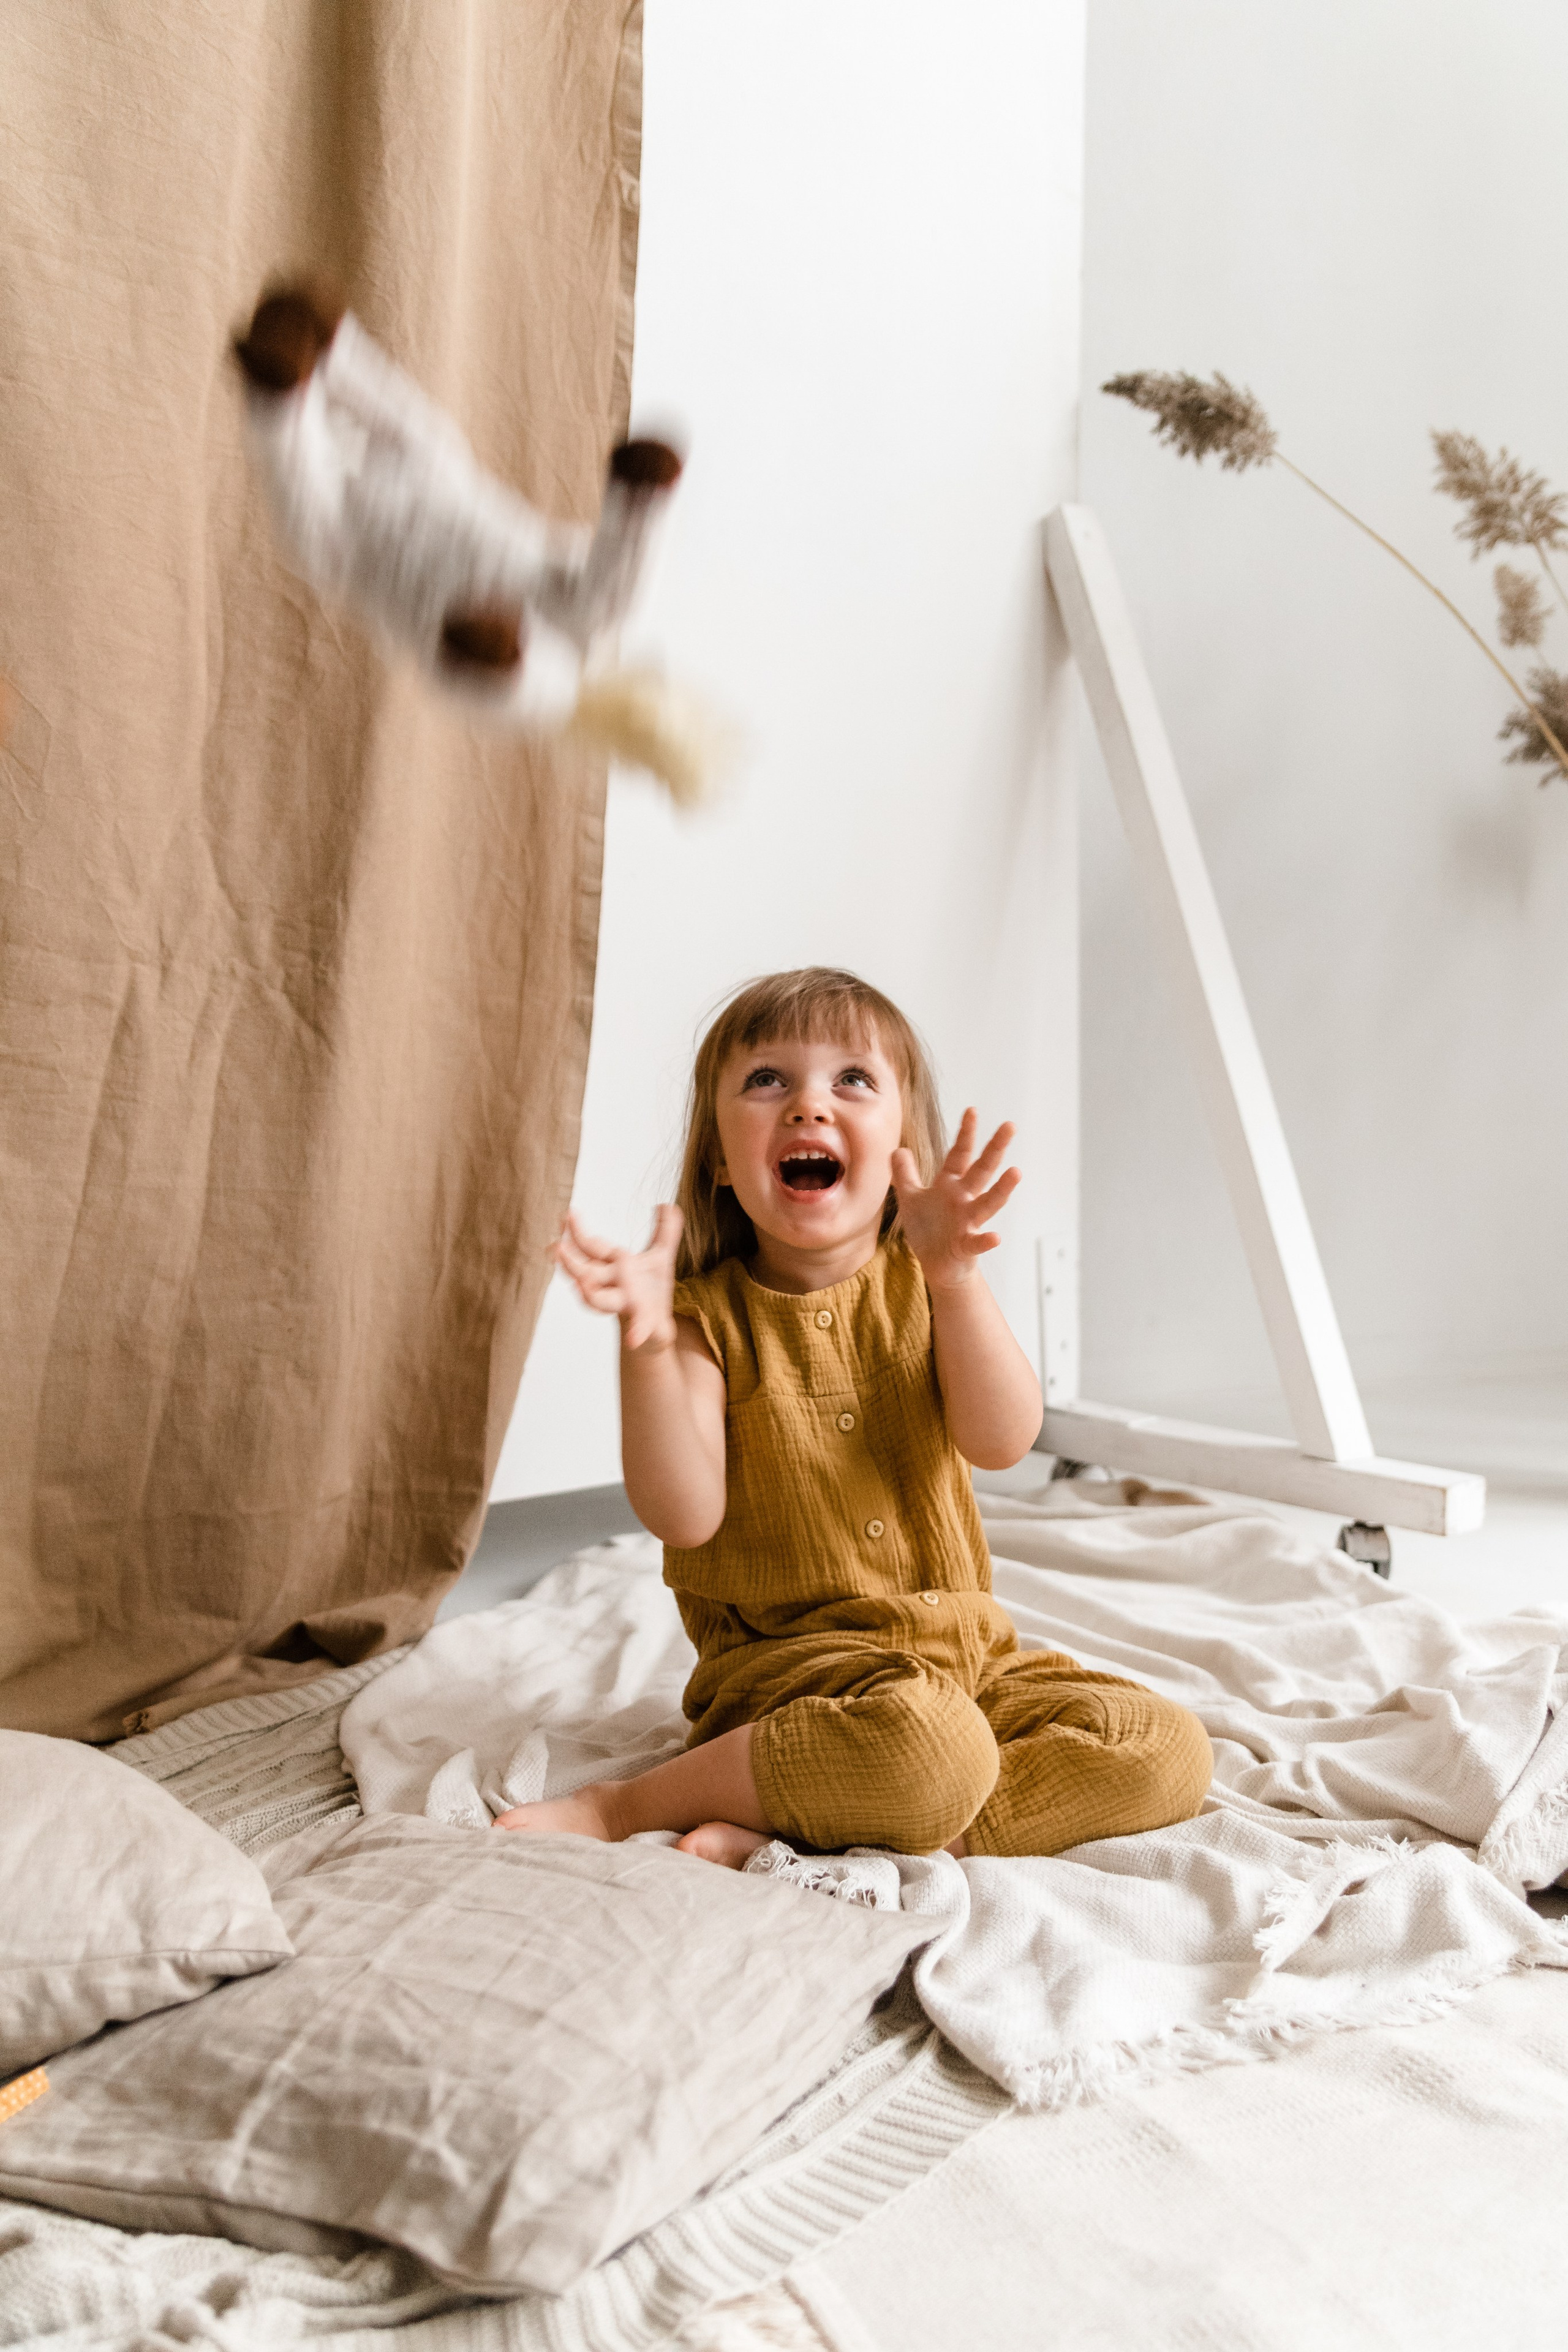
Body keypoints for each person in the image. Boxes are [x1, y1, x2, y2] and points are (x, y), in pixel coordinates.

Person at [496, 967, 1212, 1866]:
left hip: (968, 1662)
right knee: (931, 1748)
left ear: (903, 1150)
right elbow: (683, 1515)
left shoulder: (931, 1286)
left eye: (853, 1079)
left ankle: (874, 1820)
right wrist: (645, 1349)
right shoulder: (702, 1324)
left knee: (1165, 1747)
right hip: (796, 1685)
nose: (809, 1105)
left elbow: (1003, 1441)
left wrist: (957, 1278)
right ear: (719, 1160)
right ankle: (626, 1805)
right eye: (767, 1080)